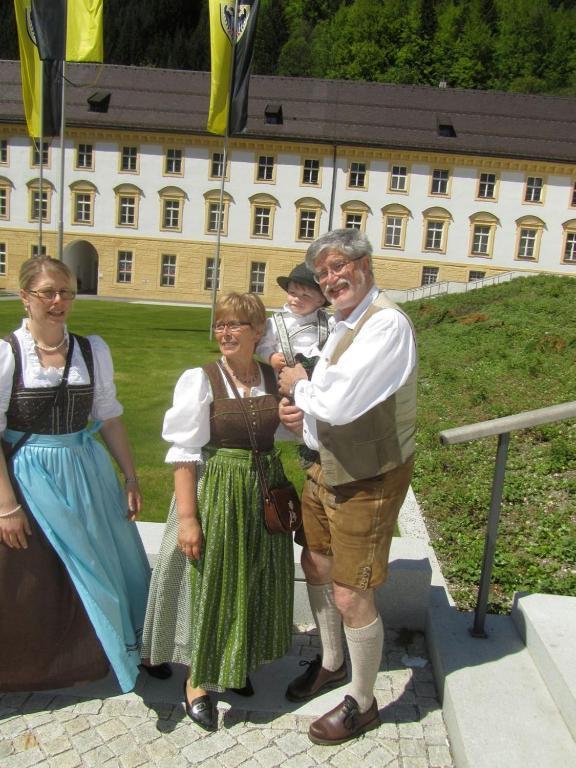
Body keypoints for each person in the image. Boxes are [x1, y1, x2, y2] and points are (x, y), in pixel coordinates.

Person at [277, 229, 417, 746]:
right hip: (324, 464)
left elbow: (335, 402)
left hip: (366, 475)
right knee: (315, 562)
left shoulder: (386, 326)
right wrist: (301, 420)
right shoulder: (343, 322)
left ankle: (363, 700)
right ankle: (333, 662)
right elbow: (329, 401)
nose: (331, 279)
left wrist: (298, 386)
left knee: (351, 590)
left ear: (364, 263)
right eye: (323, 273)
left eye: (339, 267)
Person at [0, 256, 164, 693]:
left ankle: (135, 645)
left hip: (87, 468)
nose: (58, 301)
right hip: (30, 476)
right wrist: (6, 506)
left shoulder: (91, 349)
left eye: (66, 292)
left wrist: (130, 476)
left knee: (120, 561)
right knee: (54, 571)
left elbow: (108, 417)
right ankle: (54, 658)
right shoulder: (8, 353)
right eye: (48, 292)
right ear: (25, 297)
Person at [142, 292, 294, 731]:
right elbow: (185, 453)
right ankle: (198, 681)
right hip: (217, 492)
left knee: (252, 578)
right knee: (209, 583)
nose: (225, 333)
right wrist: (188, 519)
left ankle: (233, 660)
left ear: (258, 331)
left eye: (236, 325)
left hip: (262, 489)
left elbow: (283, 431)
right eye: (220, 325)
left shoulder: (271, 376)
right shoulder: (201, 378)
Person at [256, 262, 330, 374]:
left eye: (305, 295)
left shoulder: (328, 322)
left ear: (320, 300)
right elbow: (263, 345)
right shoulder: (275, 322)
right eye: (292, 293)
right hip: (283, 376)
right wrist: (271, 357)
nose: (296, 299)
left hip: (317, 377)